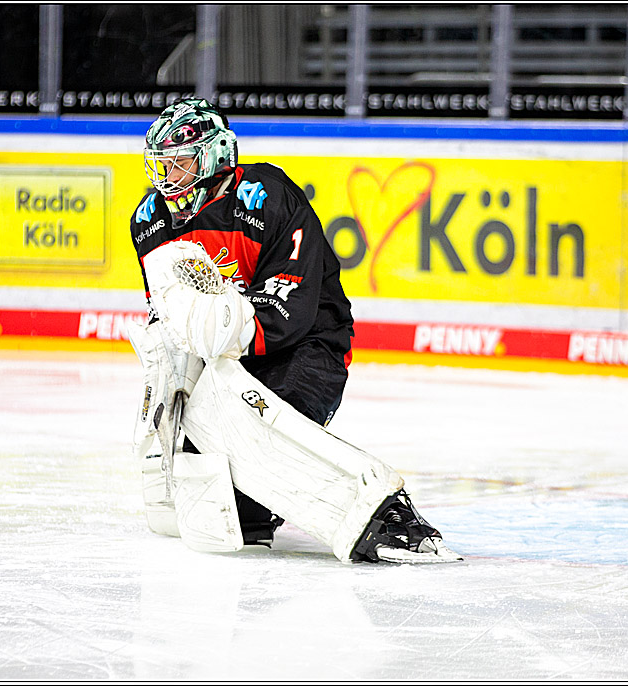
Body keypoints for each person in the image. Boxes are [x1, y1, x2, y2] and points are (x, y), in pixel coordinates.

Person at [129, 98, 459, 564]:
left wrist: (222, 328)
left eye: (180, 163)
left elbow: (288, 314)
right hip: (229, 355)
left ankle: (382, 510)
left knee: (265, 436)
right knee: (220, 508)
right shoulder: (150, 221)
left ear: (215, 156)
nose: (168, 177)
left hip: (308, 345)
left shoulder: (268, 196)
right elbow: (169, 315)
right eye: (162, 165)